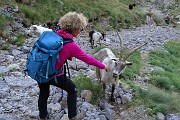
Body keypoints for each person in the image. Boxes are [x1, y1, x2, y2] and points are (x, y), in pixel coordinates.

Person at [38, 12, 109, 120]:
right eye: (80, 29)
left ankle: (42, 116)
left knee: (44, 93)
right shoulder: (71, 45)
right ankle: (73, 116)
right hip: (54, 74)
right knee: (72, 89)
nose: (81, 31)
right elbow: (87, 59)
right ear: (75, 28)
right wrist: (103, 66)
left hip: (40, 70)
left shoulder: (55, 33)